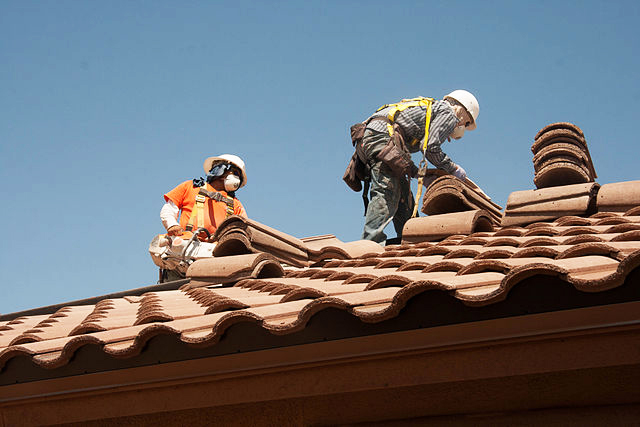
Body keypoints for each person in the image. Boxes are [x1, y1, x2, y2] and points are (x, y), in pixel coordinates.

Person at [358, 90, 480, 243]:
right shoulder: (449, 113)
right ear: (464, 111)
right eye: (467, 123)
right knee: (387, 190)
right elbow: (429, 147)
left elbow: (400, 150)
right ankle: (370, 243)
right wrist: (452, 168)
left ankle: (410, 238)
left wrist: (418, 173)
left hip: (376, 136)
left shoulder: (432, 109)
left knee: (403, 195)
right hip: (383, 137)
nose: (462, 125)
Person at [159, 154, 248, 281]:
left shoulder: (235, 203)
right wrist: (172, 225)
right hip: (184, 251)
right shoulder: (190, 187)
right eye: (234, 172)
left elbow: (244, 229)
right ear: (220, 169)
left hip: (214, 255)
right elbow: (168, 209)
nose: (236, 178)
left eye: (238, 175)